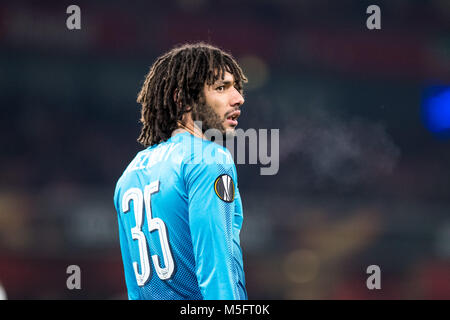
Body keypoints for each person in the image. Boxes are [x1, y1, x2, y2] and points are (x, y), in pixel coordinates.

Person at [113, 43, 248, 300]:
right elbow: (215, 266)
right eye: (221, 88)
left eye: (236, 88)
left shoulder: (128, 175)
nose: (238, 98)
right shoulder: (210, 158)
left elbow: (134, 288)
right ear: (182, 99)